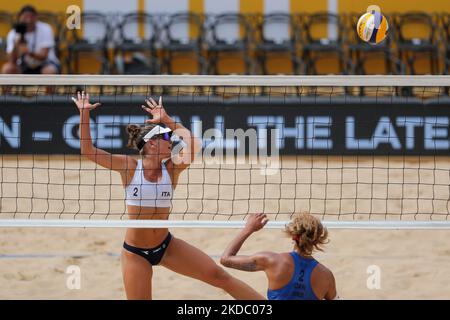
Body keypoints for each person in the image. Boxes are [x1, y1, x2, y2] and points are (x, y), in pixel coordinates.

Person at [72, 91, 264, 300]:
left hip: (166, 246)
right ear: (151, 143)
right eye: (166, 137)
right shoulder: (129, 167)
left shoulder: (171, 169)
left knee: (220, 276)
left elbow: (195, 145)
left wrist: (167, 121)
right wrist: (84, 114)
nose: (171, 140)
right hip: (136, 253)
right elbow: (87, 150)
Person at [220, 212, 338, 300]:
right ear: (317, 239)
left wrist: (248, 229)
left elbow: (225, 259)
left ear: (293, 235)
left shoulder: (272, 260)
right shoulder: (326, 276)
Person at [2, 5, 60, 75]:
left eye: (32, 16)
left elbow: (44, 56)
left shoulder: (45, 29)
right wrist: (16, 45)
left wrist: (29, 52)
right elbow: (11, 60)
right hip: (22, 65)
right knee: (7, 69)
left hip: (46, 64)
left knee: (49, 72)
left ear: (36, 17)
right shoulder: (14, 33)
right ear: (19, 17)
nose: (29, 20)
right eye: (26, 17)